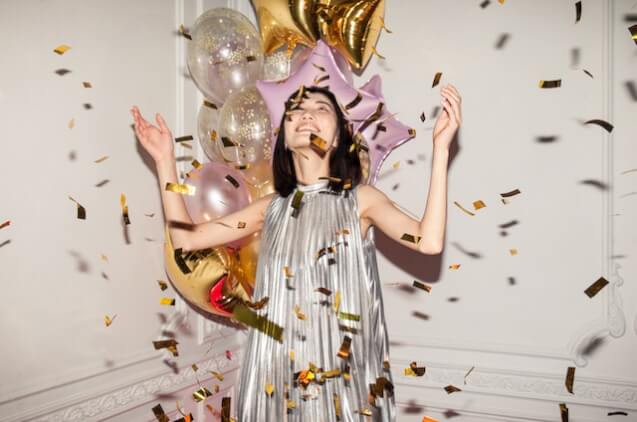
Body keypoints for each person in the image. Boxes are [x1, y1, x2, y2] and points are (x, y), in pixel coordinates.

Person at [131, 83, 462, 421]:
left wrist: (440, 150)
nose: (306, 114)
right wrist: (164, 162)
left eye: (321, 108)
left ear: (338, 138)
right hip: (274, 384)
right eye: (296, 111)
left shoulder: (361, 200)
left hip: (340, 388)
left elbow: (428, 241)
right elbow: (186, 240)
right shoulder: (269, 208)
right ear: (285, 138)